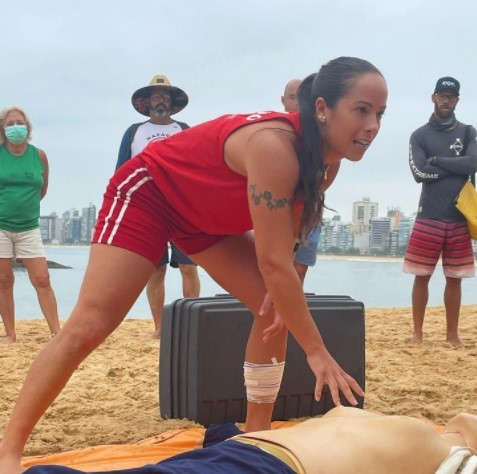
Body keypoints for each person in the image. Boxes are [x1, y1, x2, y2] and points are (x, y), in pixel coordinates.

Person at [0, 56, 387, 473]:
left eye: (380, 114)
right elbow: (273, 263)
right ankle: (9, 450)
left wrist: (281, 297)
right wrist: (317, 353)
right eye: (361, 110)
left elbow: (285, 249)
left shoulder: (326, 164)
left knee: (270, 307)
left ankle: (257, 434)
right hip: (150, 195)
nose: (372, 126)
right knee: (88, 327)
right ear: (323, 108)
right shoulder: (274, 145)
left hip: (206, 221)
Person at [23, 406, 477, 473]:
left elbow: (224, 433)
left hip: (253, 456)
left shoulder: (436, 449)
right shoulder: (431, 447)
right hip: (258, 461)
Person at [116, 75, 200, 339]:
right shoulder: (134, 132)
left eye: (165, 96)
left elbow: (197, 166)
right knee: (156, 268)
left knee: (189, 266)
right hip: (148, 207)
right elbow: (121, 170)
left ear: (172, 102)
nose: (160, 100)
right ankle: (160, 327)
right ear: (147, 102)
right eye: (156, 96)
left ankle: (190, 323)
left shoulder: (184, 129)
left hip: (181, 207)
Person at [403, 77, 477, 348]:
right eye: (442, 96)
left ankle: (452, 335)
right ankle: (418, 333)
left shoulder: (469, 132)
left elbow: (474, 162)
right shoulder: (419, 135)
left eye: (451, 96)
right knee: (421, 276)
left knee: (455, 279)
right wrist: (457, 166)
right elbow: (418, 172)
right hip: (428, 216)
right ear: (433, 98)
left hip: (459, 216)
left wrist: (437, 161)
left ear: (457, 100)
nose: (446, 100)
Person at [0, 106, 61, 345]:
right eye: (10, 123)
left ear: (28, 127)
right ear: (3, 129)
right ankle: (10, 334)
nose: (16, 127)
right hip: (1, 226)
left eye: (20, 122)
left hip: (29, 227)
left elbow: (42, 189)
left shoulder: (39, 156)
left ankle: (56, 331)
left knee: (42, 279)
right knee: (4, 281)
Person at [281, 79, 340, 284]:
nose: (298, 102)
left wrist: (313, 192)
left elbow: (334, 162)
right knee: (276, 264)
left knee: (300, 268)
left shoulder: (322, 133)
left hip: (309, 207)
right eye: (292, 97)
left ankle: (290, 311)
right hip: (279, 209)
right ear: (283, 101)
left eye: (303, 98)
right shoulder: (278, 132)